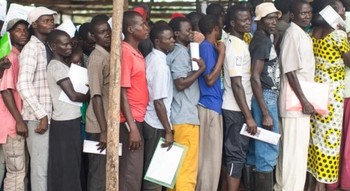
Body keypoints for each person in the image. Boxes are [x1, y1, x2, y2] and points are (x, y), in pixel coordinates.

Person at [305, 0, 350, 190]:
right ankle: (322, 185)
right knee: (330, 141)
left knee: (316, 139)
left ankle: (313, 182)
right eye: (341, 10)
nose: (344, 13)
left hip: (316, 92)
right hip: (333, 97)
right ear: (332, 12)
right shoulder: (338, 35)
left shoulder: (312, 33)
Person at [274, 1, 315, 191]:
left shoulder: (301, 33)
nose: (307, 16)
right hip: (295, 103)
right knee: (294, 152)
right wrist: (304, 101)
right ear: (291, 15)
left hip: (298, 102)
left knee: (293, 151)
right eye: (302, 13)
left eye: (309, 13)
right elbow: (290, 71)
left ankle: (284, 187)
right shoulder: (292, 35)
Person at [17, 7, 57, 191]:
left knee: (47, 167)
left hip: (48, 116)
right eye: (46, 20)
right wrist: (42, 115)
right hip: (37, 118)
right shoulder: (31, 49)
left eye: (51, 20)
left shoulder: (47, 46)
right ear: (34, 24)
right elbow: (23, 84)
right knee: (40, 169)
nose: (51, 23)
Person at [46, 29, 89, 191]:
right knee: (68, 166)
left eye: (70, 43)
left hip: (70, 120)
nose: (69, 47)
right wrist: (89, 93)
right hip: (65, 122)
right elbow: (73, 95)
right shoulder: (56, 67)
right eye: (64, 44)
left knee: (71, 163)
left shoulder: (62, 65)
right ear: (53, 46)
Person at [221, 5, 258, 191]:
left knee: (234, 154)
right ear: (233, 23)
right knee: (236, 154)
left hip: (237, 107)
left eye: (249, 19)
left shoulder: (239, 42)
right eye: (243, 20)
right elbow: (237, 84)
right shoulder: (235, 46)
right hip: (236, 109)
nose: (248, 22)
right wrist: (248, 116)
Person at [167, 16, 205, 191]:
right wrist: (201, 71)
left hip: (177, 116)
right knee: (187, 169)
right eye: (188, 30)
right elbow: (180, 83)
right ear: (176, 33)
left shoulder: (175, 52)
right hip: (185, 116)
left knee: (174, 167)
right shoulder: (181, 53)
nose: (191, 33)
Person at [246, 3, 281, 191]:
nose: (274, 21)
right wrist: (266, 112)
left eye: (275, 17)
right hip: (265, 98)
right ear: (259, 21)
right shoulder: (261, 41)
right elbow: (255, 77)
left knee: (256, 149)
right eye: (269, 18)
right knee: (267, 149)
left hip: (266, 96)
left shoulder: (264, 38)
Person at [142, 24, 175, 191]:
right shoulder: (160, 66)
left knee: (156, 173)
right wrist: (168, 131)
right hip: (156, 124)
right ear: (157, 41)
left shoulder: (151, 58)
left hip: (153, 120)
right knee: (154, 176)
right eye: (168, 38)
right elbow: (158, 102)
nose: (173, 41)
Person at [120, 11, 149, 191]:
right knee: (129, 173)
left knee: (134, 172)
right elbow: (122, 92)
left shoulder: (136, 51)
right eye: (142, 24)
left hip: (137, 118)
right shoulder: (125, 52)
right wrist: (132, 128)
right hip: (129, 121)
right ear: (131, 29)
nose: (146, 28)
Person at [195, 14, 225, 191]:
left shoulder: (209, 47)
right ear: (215, 28)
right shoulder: (206, 47)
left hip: (213, 106)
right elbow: (210, 80)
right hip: (209, 106)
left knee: (212, 158)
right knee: (209, 159)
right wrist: (221, 55)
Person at [0, 18, 29, 191]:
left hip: (5, 123)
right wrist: (18, 120)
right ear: (9, 34)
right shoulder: (10, 56)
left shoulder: (17, 55)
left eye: (25, 30)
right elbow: (5, 90)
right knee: (17, 171)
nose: (23, 33)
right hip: (10, 123)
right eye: (18, 30)